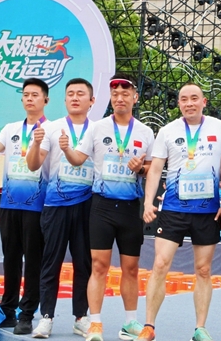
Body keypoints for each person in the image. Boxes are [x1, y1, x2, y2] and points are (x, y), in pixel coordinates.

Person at [63, 73, 155, 341]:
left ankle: (130, 323)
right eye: (115, 94)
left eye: (125, 93)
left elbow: (152, 168)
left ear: (135, 98)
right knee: (99, 266)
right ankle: (95, 323)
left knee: (131, 268)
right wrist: (67, 149)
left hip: (130, 208)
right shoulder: (98, 128)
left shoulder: (145, 132)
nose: (120, 98)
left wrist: (141, 168)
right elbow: (78, 159)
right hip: (101, 207)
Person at [139, 83, 221, 341]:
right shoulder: (167, 131)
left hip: (207, 211)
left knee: (203, 269)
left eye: (194, 98)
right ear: (178, 103)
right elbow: (155, 170)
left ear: (204, 102)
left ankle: (200, 328)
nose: (189, 103)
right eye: (184, 99)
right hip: (173, 209)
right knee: (160, 264)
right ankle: (149, 326)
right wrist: (148, 202)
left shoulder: (220, 128)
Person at [0, 78, 50, 334]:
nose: (29, 98)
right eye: (26, 94)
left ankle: (27, 314)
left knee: (34, 261)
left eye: (35, 94)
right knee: (11, 259)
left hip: (37, 206)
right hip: (10, 204)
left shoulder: (51, 129)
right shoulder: (11, 128)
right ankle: (8, 310)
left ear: (45, 99)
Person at [26, 78, 96, 338]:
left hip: (87, 205)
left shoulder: (97, 130)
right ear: (64, 99)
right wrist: (35, 143)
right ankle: (46, 317)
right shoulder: (51, 128)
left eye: (80, 94)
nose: (75, 98)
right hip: (55, 204)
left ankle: (81, 317)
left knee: (83, 263)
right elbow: (33, 165)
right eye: (70, 94)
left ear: (92, 100)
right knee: (50, 262)